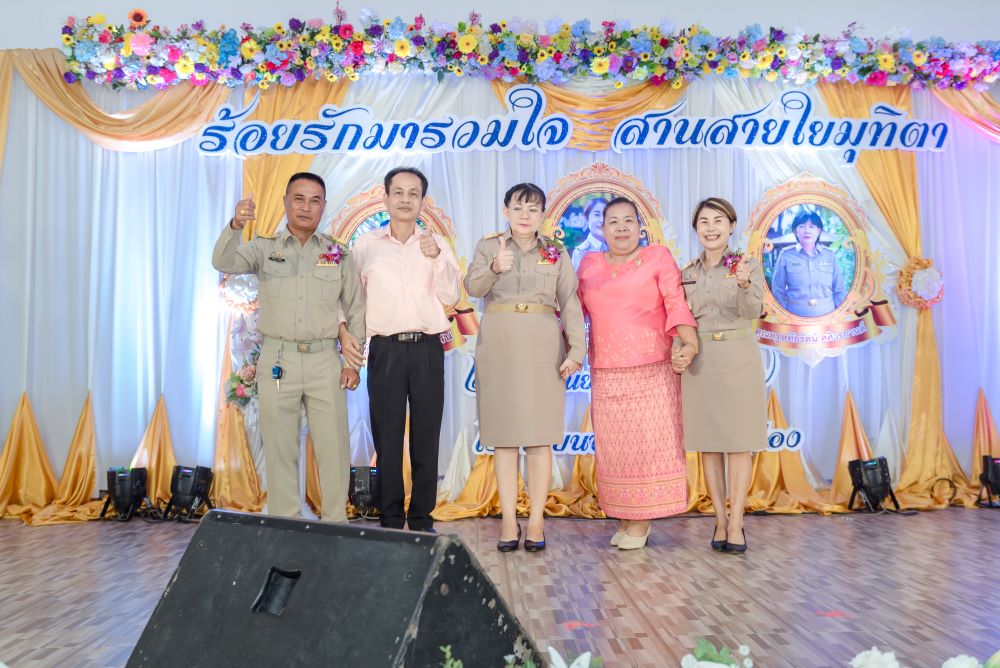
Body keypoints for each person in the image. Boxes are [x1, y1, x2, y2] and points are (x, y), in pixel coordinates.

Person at [212, 172, 366, 522]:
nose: (306, 207)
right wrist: (236, 225)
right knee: (280, 447)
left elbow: (356, 309)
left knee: (334, 447)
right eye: (299, 198)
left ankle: (335, 523)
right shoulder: (265, 248)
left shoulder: (336, 253)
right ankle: (286, 524)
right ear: (285, 202)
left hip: (325, 359)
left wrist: (353, 364)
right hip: (277, 358)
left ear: (323, 206)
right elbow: (223, 262)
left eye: (315, 201)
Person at [465, 183, 585, 552]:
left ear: (542, 214)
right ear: (506, 211)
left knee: (538, 437)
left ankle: (535, 521)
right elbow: (472, 288)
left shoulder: (555, 252)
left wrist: (577, 350)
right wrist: (493, 268)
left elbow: (570, 301)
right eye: (518, 208)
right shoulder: (489, 246)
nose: (525, 215)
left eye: (533, 209)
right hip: (499, 344)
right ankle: (507, 521)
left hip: (542, 345)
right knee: (503, 438)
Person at [343, 167, 461, 533]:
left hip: (427, 349)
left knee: (426, 436)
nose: (406, 199)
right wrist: (347, 337)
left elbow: (452, 296)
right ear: (386, 198)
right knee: (388, 437)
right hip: (385, 350)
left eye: (414, 193)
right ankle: (391, 518)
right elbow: (349, 299)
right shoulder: (366, 246)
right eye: (399, 192)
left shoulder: (437, 245)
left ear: (423, 201)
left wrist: (437, 258)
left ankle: (422, 518)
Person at [577, 197, 698, 550]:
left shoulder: (657, 257)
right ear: (601, 229)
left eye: (628, 220)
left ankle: (641, 522)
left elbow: (675, 301)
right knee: (615, 450)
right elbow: (573, 310)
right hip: (606, 371)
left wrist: (688, 341)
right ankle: (625, 517)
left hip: (652, 369)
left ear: (640, 227)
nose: (621, 228)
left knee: (647, 447)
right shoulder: (589, 264)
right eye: (613, 222)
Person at [673, 197, 767, 555]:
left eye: (718, 221)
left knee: (739, 444)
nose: (711, 228)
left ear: (731, 226)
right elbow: (680, 320)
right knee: (709, 444)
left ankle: (738, 522)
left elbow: (754, 310)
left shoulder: (748, 265)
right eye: (704, 222)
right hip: (701, 362)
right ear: (695, 229)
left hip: (739, 358)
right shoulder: (687, 273)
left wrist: (743, 284)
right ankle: (720, 520)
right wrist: (678, 351)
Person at [769, 210, 847, 317]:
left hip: (827, 314)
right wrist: (783, 316)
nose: (807, 231)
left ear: (819, 230)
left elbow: (839, 290)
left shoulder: (829, 255)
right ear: (795, 231)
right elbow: (778, 290)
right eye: (801, 226)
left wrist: (841, 316)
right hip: (795, 315)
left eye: (811, 227)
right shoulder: (785, 255)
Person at [571, 197, 608, 270]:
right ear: (586, 218)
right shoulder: (580, 252)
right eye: (597, 215)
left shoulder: (616, 248)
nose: (602, 220)